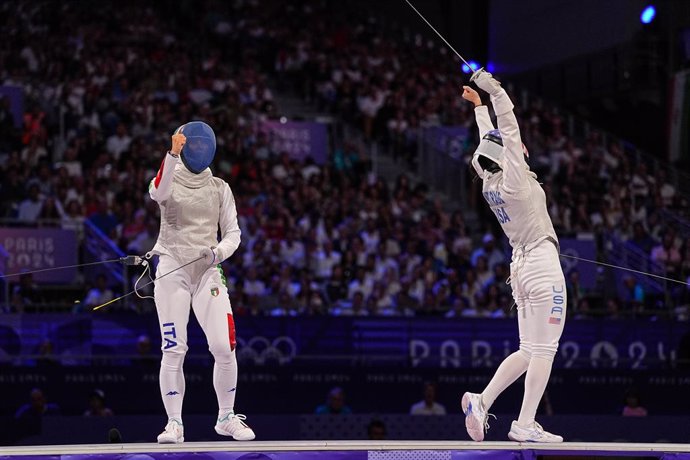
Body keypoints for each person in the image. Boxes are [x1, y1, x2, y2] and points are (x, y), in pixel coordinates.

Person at [460, 70, 566, 443]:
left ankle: (481, 400)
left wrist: (478, 109)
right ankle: (524, 423)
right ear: (505, 155)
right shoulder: (515, 180)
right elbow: (508, 126)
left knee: (528, 349)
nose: (518, 148)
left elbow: (486, 146)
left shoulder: (490, 181)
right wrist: (493, 90)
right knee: (545, 350)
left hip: (520, 267)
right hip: (540, 264)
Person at [148, 121, 255, 443]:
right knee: (174, 347)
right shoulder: (167, 179)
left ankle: (226, 416)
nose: (197, 150)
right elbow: (159, 192)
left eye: (200, 145)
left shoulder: (220, 187)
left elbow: (233, 232)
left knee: (224, 346)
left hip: (207, 270)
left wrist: (217, 254)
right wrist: (171, 154)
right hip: (172, 269)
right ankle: (174, 423)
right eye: (191, 146)